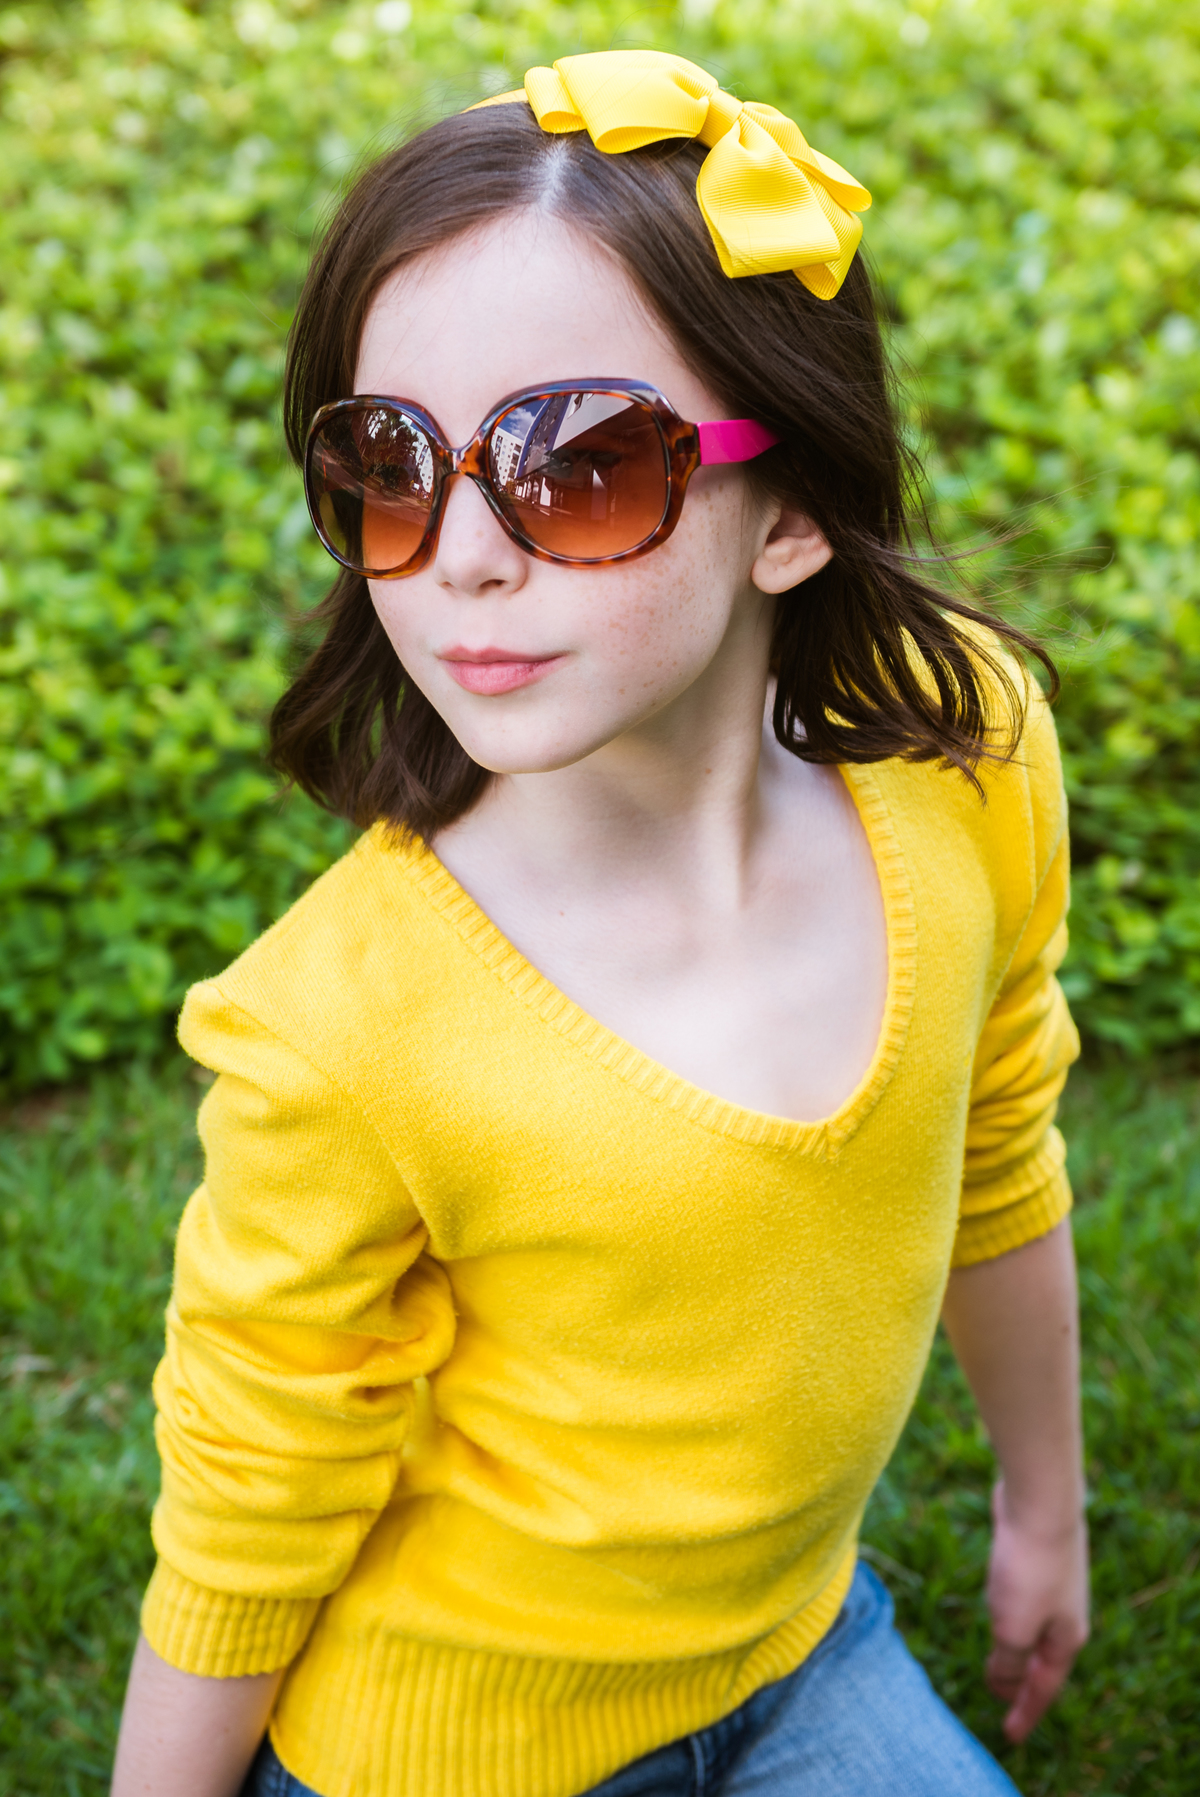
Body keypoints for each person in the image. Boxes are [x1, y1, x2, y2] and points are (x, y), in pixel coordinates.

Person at [111, 49, 1089, 1797]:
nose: (462, 556)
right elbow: (251, 1501)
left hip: (798, 1648)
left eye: (576, 463)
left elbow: (998, 1138)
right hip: (443, 1750)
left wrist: (1046, 1507)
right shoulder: (341, 1028)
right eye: (392, 464)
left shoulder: (971, 762)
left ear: (793, 507)